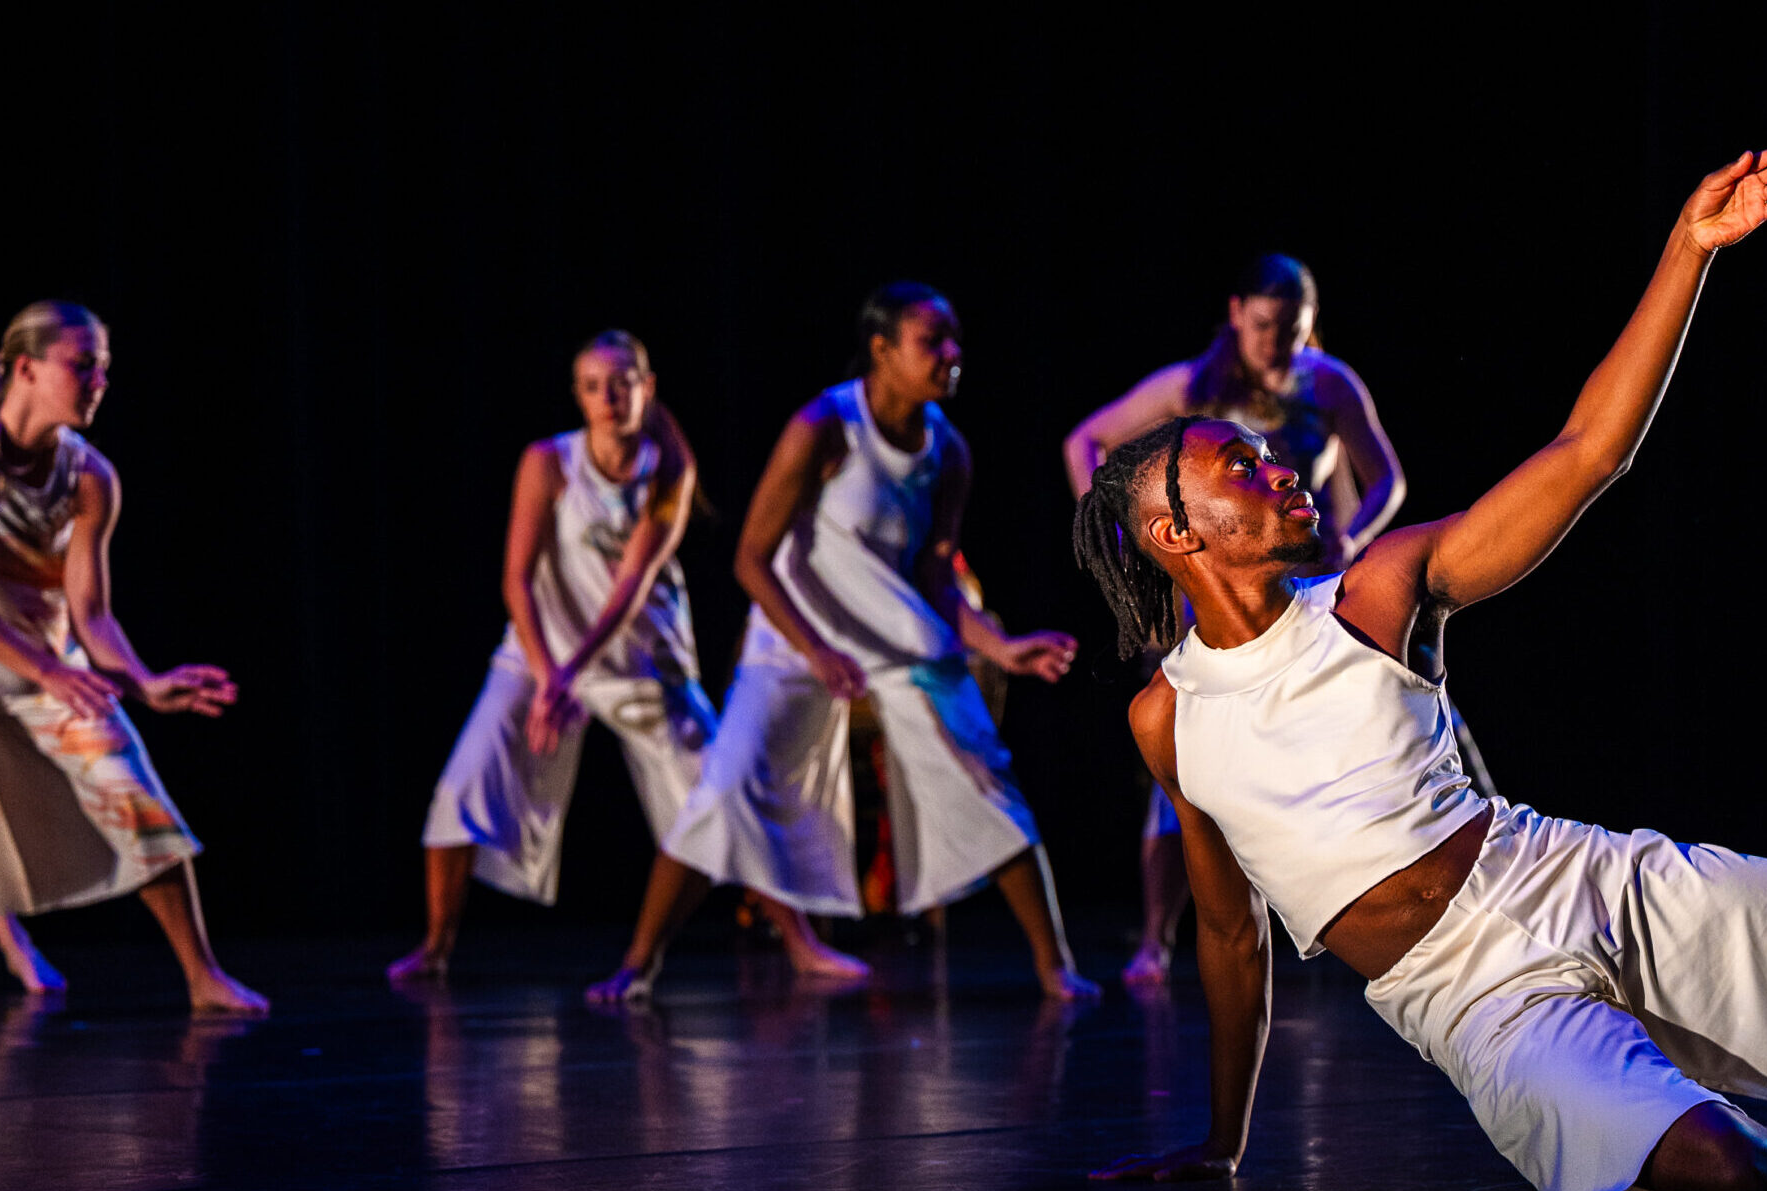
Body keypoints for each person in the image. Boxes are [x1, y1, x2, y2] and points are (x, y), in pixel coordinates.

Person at [1078, 148, 1767, 1191]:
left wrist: (1687, 250)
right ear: (1178, 530)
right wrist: (1222, 1143)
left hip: (1573, 878)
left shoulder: (1379, 588)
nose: (1280, 466)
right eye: (1245, 464)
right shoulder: (1168, 716)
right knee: (1739, 1170)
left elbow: (1586, 453)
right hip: (1477, 1000)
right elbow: (1227, 934)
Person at [615, 283, 1099, 1002]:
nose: (950, 354)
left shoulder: (949, 450)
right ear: (881, 350)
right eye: (930, 341)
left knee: (983, 776)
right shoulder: (826, 424)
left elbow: (935, 573)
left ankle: (1053, 965)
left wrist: (998, 648)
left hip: (896, 640)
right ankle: (639, 963)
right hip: (792, 635)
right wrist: (815, 651)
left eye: (952, 339)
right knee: (724, 784)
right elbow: (751, 556)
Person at [1064, 256, 1491, 986]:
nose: (1275, 343)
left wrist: (1358, 535)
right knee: (1192, 768)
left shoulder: (1326, 384)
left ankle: (1452, 884)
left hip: (1310, 583)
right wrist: (1139, 554)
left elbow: (1385, 473)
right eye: (1263, 327)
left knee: (1396, 718)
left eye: (1290, 330)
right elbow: (1087, 444)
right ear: (1235, 314)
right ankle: (1156, 941)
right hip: (1217, 602)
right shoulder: (1189, 389)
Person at [391, 332, 864, 990]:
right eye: (592, 386)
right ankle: (437, 945)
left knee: (715, 789)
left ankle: (799, 942)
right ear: (577, 397)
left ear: (648, 385)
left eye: (622, 382)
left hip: (640, 655)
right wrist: (547, 672)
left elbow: (631, 584)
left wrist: (571, 672)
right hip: (537, 653)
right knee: (467, 780)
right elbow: (516, 579)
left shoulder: (670, 470)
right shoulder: (548, 461)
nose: (608, 398)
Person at [0, 301, 265, 1012]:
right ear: (25, 367)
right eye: (83, 362)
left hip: (32, 660)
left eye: (105, 366)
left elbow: (90, 612)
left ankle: (202, 975)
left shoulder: (91, 479)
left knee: (129, 781)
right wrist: (54, 670)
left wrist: (145, 684)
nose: (99, 379)